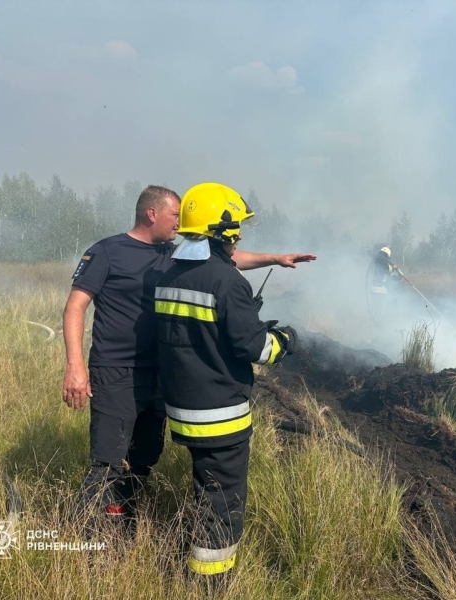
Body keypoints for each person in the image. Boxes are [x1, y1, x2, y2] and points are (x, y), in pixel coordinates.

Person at [61, 184, 314, 529]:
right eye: (175, 216)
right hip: (117, 370)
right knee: (109, 459)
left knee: (144, 455)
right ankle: (87, 533)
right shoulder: (107, 252)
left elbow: (225, 258)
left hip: (162, 372)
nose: (181, 224)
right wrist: (75, 367)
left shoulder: (173, 252)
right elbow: (76, 306)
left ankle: (123, 521)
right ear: (152, 213)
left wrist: (276, 259)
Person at [154, 182, 297, 579]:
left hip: (183, 410)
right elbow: (254, 348)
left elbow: (196, 335)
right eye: (237, 230)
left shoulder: (170, 273)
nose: (239, 237)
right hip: (220, 416)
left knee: (204, 489)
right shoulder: (227, 281)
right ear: (222, 231)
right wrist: (283, 341)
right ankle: (210, 581)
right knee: (222, 505)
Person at [368, 246, 402, 318]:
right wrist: (398, 276)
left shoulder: (376, 262)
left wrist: (394, 268)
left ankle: (372, 318)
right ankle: (377, 320)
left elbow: (388, 270)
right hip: (380, 289)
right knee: (380, 306)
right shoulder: (384, 263)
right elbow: (388, 274)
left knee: (375, 305)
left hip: (373, 288)